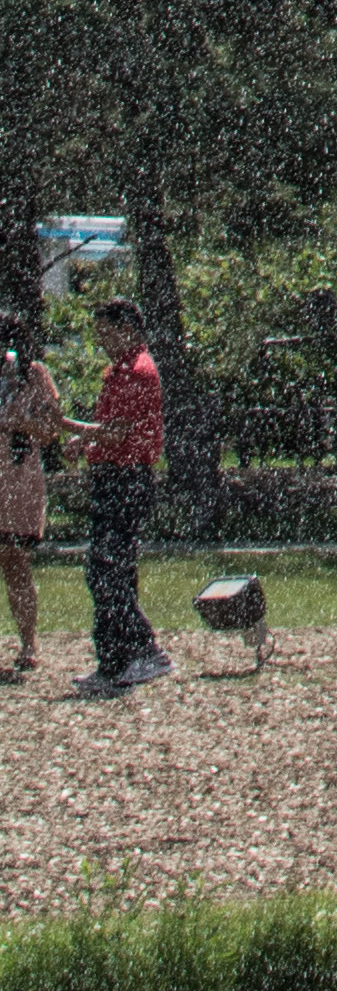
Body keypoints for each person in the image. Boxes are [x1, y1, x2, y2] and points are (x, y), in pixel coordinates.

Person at [70, 295, 166, 695]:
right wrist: (85, 443)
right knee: (114, 570)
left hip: (128, 480)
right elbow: (109, 434)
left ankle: (144, 649)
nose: (102, 341)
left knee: (105, 569)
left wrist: (66, 425)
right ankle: (113, 662)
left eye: (106, 332)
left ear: (127, 329)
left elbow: (118, 434)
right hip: (112, 476)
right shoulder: (119, 371)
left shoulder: (139, 372)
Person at [0, 324, 63, 679]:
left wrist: (23, 422)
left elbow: (51, 430)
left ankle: (28, 644)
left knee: (14, 561)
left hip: (17, 477)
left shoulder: (33, 375)